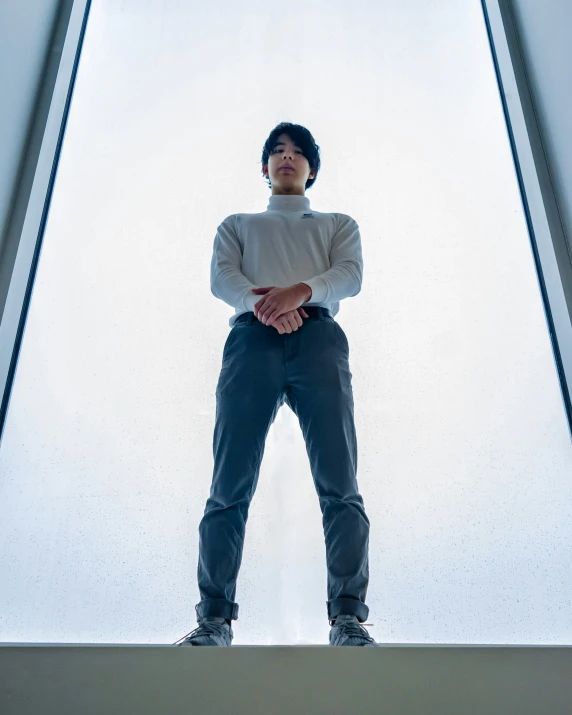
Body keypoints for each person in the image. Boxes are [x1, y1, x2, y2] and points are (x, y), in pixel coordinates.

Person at [176, 122, 377, 647]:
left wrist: (299, 293)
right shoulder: (237, 224)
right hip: (250, 342)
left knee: (340, 483)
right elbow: (224, 279)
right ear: (264, 167)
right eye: (277, 152)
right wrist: (265, 306)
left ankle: (348, 619)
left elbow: (349, 275)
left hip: (320, 343)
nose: (287, 158)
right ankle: (214, 620)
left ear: (313, 167)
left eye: (298, 152)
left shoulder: (337, 223)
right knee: (228, 486)